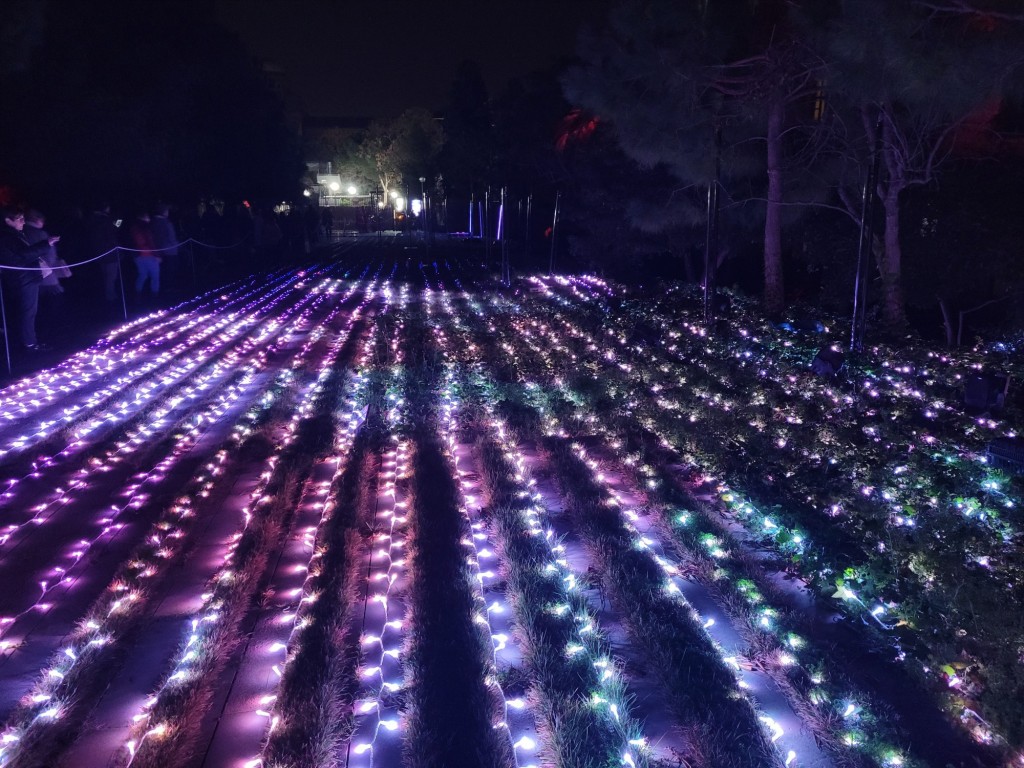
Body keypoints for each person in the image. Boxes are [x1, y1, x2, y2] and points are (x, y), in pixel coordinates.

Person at [0, 207, 60, 352]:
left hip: (25, 277)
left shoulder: (15, 234)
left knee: (28, 311)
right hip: (22, 279)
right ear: (8, 221)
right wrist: (46, 244)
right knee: (27, 311)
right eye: (19, 219)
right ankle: (29, 343)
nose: (23, 221)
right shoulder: (7, 237)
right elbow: (23, 256)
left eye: (23, 218)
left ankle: (28, 341)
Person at [24, 209, 71, 338]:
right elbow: (49, 255)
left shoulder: (22, 232)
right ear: (36, 219)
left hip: (30, 276)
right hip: (45, 274)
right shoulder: (40, 234)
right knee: (55, 299)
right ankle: (53, 331)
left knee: (37, 305)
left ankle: (41, 331)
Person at [86, 201, 121, 305]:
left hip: (99, 252)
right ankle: (110, 298)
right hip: (109, 252)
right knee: (111, 276)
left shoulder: (92, 219)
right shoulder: (105, 219)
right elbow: (116, 228)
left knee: (106, 276)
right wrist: (120, 218)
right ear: (105, 208)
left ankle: (108, 296)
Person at [128, 211, 160, 299]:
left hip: (137, 255)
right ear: (144, 217)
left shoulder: (132, 227)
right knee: (155, 276)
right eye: (148, 217)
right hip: (148, 254)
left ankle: (137, 296)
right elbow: (151, 242)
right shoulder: (146, 227)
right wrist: (157, 255)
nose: (149, 219)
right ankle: (154, 298)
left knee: (142, 275)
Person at [150, 203, 180, 289]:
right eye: (167, 211)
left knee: (163, 271)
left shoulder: (152, 221)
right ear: (163, 212)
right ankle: (169, 288)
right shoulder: (166, 223)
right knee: (170, 270)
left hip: (158, 250)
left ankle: (163, 288)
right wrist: (176, 245)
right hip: (169, 249)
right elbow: (170, 237)